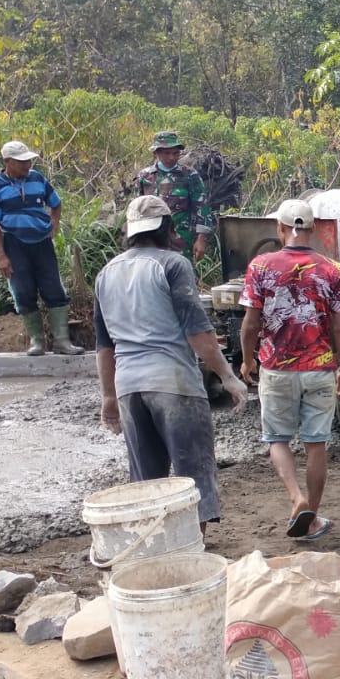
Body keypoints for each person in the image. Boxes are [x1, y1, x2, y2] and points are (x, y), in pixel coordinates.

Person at [95, 196, 247, 536]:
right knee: (193, 473)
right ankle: (192, 547)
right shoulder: (173, 265)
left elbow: (104, 346)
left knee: (146, 482)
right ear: (168, 229)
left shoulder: (106, 274)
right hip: (173, 382)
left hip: (129, 386)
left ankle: (153, 550)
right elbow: (198, 331)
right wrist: (227, 376)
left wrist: (108, 398)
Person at [238, 199, 340, 541]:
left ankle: (296, 498)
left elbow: (249, 324)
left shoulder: (260, 267)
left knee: (277, 438)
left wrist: (248, 360)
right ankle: (313, 519)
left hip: (276, 368)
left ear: (280, 228)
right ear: (314, 229)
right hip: (319, 369)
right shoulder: (333, 270)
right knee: (316, 443)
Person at [0, 141, 83, 356]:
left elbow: (55, 203)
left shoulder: (37, 178)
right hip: (14, 243)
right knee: (23, 291)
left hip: (41, 242)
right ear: (7, 162)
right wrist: (1, 255)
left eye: (28, 160)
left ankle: (62, 341)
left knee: (54, 289)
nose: (27, 165)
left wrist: (54, 225)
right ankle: (37, 341)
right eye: (22, 162)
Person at [134, 131, 215, 271]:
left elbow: (202, 207)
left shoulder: (189, 175)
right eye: (167, 153)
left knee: (182, 278)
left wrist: (201, 239)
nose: (172, 157)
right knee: (153, 278)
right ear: (156, 153)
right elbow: (136, 209)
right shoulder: (145, 176)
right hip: (151, 240)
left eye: (176, 153)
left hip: (181, 239)